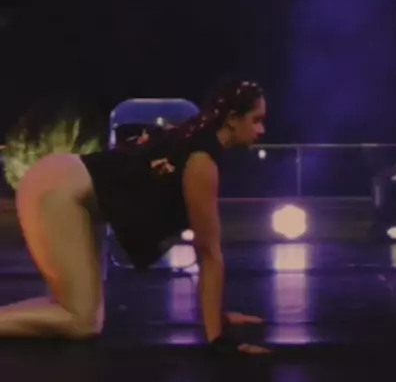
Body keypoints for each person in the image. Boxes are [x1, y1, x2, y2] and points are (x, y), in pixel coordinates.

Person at [0, 78, 269, 355]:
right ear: (232, 119)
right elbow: (209, 252)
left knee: (79, 313)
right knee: (81, 321)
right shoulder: (202, 160)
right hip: (55, 192)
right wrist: (219, 340)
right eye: (256, 120)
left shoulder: (197, 140)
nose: (261, 130)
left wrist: (219, 317)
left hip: (61, 188)